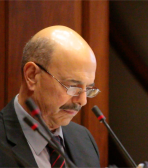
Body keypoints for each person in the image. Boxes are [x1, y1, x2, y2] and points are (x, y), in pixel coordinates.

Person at [0, 26, 101, 168]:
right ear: (32, 76)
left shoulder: (84, 140)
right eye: (73, 86)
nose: (82, 101)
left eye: (89, 88)